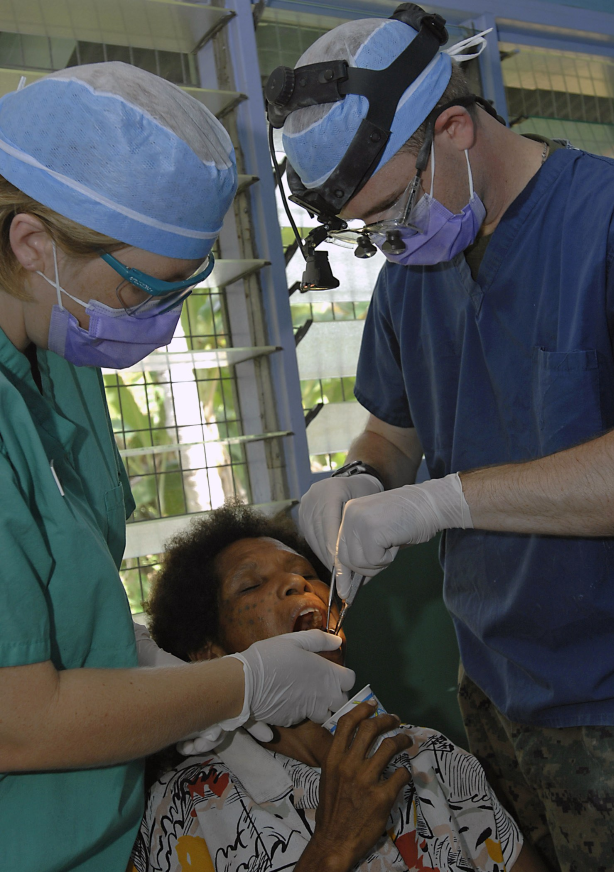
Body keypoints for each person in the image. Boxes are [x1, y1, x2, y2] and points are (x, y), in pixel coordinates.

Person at [269, 8, 614, 871]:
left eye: (392, 210)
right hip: (493, 681)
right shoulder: (414, 273)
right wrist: (358, 477)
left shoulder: (605, 226)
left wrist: (440, 501)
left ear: (454, 129)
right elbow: (395, 428)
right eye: (369, 233)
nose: (389, 245)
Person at [0, 63, 355, 872]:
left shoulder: (55, 338)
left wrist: (133, 661)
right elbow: (14, 721)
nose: (160, 327)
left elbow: (44, 587)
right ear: (33, 244)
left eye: (185, 290)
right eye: (144, 291)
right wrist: (240, 686)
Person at [131, 502, 550, 872]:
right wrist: (332, 849)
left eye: (308, 574)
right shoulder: (187, 810)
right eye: (251, 585)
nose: (298, 584)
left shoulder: (427, 757)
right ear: (208, 655)